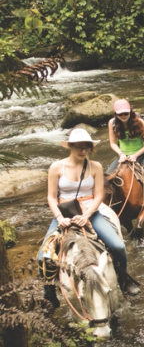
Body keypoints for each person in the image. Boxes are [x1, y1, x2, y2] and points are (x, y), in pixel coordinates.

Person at [38, 128, 138, 304]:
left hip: (91, 213)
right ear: (70, 146)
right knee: (43, 257)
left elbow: (99, 195)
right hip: (64, 214)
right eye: (78, 147)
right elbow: (51, 197)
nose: (82, 151)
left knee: (118, 246)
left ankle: (123, 280)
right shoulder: (56, 167)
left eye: (86, 147)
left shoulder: (96, 167)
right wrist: (60, 218)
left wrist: (86, 215)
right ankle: (49, 292)